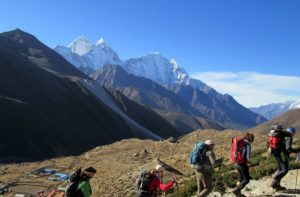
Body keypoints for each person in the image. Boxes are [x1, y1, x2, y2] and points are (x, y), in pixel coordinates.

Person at [268, 124, 293, 191]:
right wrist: (297, 150)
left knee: (280, 169)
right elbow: (288, 148)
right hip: (281, 153)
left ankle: (277, 186)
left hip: (275, 152)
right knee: (284, 170)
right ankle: (274, 181)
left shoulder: (273, 134)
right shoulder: (285, 135)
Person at [232, 133, 255, 197]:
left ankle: (238, 194)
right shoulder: (247, 145)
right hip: (243, 164)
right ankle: (236, 190)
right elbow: (247, 157)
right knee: (246, 179)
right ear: (251, 139)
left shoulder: (240, 143)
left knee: (240, 179)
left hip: (237, 163)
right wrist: (249, 163)